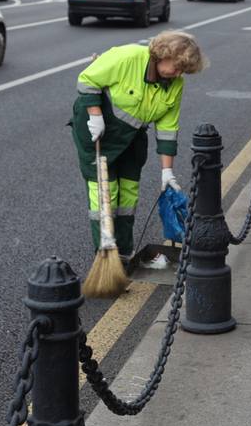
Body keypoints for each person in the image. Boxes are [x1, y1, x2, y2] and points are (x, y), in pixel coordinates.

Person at [70, 31, 206, 266]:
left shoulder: (175, 83)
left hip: (132, 137)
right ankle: (105, 256)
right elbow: (87, 79)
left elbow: (167, 127)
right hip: (98, 132)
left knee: (129, 195)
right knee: (105, 194)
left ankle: (123, 253)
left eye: (184, 70)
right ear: (162, 55)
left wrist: (167, 172)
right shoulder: (128, 57)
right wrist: (95, 115)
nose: (178, 74)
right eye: (177, 66)